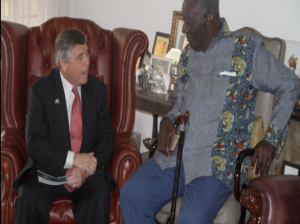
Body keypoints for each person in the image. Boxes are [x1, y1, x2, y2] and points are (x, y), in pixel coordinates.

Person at [120, 0, 300, 223]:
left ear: (208, 20)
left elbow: (290, 84)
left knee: (192, 218)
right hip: (176, 156)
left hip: (216, 164)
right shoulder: (187, 54)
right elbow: (178, 104)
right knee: (131, 195)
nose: (184, 28)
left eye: (188, 22)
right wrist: (167, 119)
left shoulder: (244, 48)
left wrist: (271, 140)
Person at [13, 28, 116, 224]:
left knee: (99, 196)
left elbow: (106, 138)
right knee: (27, 201)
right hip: (48, 171)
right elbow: (34, 143)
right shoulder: (41, 91)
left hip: (87, 174)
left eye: (87, 54)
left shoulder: (98, 90)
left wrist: (86, 170)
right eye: (80, 57)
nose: (87, 62)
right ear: (63, 64)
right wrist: (73, 159)